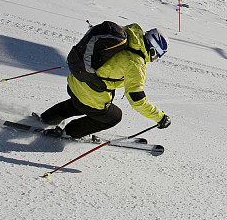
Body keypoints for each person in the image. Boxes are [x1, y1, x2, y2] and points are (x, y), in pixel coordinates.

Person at [39, 23, 171, 139]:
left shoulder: (127, 36)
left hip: (75, 81)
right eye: (156, 56)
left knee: (79, 103)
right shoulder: (136, 64)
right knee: (113, 116)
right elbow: (137, 100)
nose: (154, 59)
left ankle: (47, 118)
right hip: (89, 94)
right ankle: (69, 132)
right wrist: (160, 117)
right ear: (153, 50)